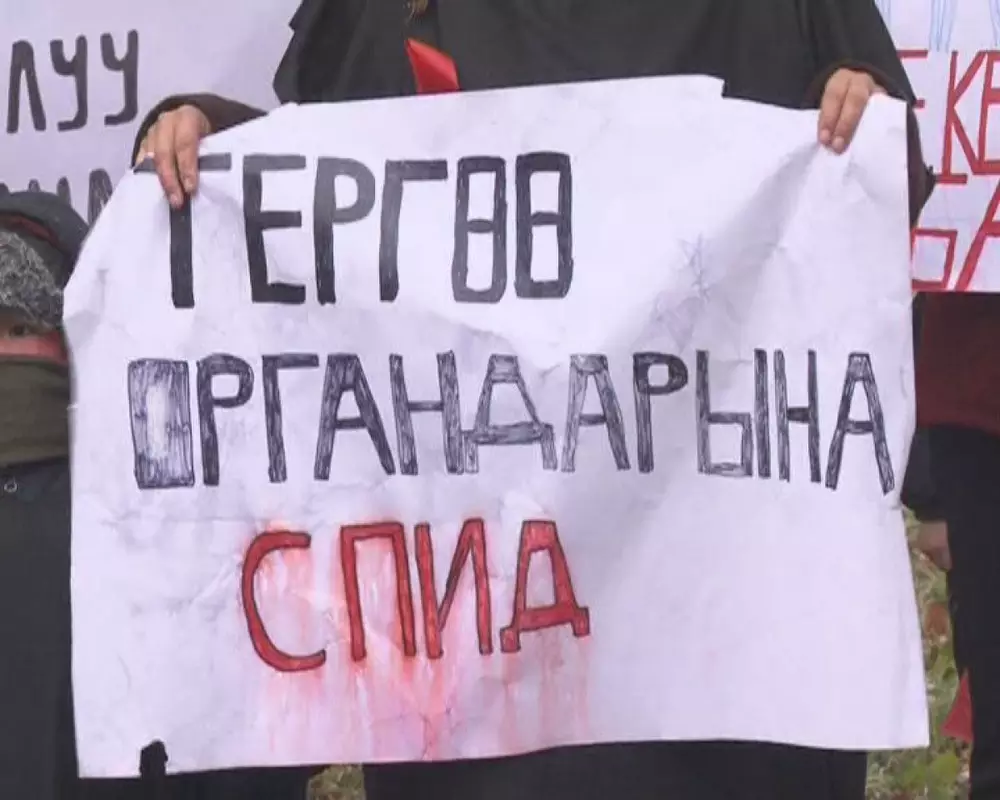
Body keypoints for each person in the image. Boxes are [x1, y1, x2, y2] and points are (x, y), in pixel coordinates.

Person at [130, 1, 935, 798]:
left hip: (722, 662)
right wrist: (214, 143)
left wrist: (857, 110)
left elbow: (877, 176)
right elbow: (328, 177)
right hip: (490, 677)